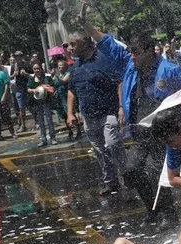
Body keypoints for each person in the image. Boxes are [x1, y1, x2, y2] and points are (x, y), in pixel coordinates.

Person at [79, 6, 181, 226]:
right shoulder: (130, 66)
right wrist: (86, 25)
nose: (132, 55)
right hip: (139, 131)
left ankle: (168, 213)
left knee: (155, 171)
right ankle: (153, 209)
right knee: (131, 170)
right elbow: (107, 43)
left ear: (151, 51)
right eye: (131, 51)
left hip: (163, 133)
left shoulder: (168, 70)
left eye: (136, 51)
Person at [67, 2, 126, 195]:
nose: (69, 48)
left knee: (112, 145)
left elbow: (118, 81)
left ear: (84, 44)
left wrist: (120, 107)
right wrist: (70, 113)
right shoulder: (75, 67)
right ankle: (110, 181)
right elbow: (71, 91)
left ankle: (127, 176)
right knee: (100, 151)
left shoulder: (103, 59)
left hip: (108, 112)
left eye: (73, 44)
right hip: (89, 116)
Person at [27, 63, 57, 146]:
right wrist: (33, 90)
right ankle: (43, 139)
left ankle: (53, 138)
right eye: (35, 69)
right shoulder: (31, 78)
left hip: (46, 100)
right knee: (40, 121)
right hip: (37, 102)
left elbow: (53, 88)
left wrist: (46, 87)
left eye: (38, 68)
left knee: (49, 120)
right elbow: (28, 89)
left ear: (41, 68)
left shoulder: (47, 76)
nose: (37, 70)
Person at [53, 60, 79, 141]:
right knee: (64, 115)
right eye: (59, 65)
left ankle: (78, 130)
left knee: (70, 113)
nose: (60, 67)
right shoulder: (57, 75)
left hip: (67, 96)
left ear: (65, 66)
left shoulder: (67, 74)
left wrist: (56, 76)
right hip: (60, 97)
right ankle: (70, 131)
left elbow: (63, 81)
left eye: (61, 65)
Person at [10, 51, 31, 132]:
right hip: (19, 88)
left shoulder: (26, 64)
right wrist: (14, 74)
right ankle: (23, 126)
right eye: (16, 56)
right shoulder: (13, 66)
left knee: (31, 105)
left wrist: (26, 74)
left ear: (22, 56)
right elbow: (10, 78)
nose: (17, 58)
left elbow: (33, 75)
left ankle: (37, 122)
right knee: (21, 108)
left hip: (27, 87)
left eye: (19, 56)